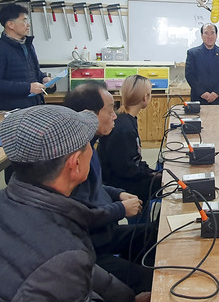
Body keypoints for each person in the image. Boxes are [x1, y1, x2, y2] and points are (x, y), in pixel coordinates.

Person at [0, 105, 146, 302]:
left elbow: (85, 270)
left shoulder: (15, 201)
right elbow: (66, 264)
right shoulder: (63, 256)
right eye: (87, 145)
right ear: (75, 163)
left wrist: (128, 298)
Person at [64, 81, 156, 294]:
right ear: (89, 115)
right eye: (109, 110)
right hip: (93, 249)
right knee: (156, 279)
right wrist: (121, 209)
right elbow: (80, 213)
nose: (115, 115)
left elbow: (97, 186)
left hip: (106, 232)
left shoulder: (89, 145)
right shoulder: (71, 160)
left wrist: (118, 194)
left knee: (156, 233)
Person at [98, 75, 161, 202]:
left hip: (123, 176)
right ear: (145, 97)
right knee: (167, 184)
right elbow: (127, 169)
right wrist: (151, 174)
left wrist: (150, 171)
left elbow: (132, 160)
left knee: (162, 174)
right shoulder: (124, 128)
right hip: (119, 184)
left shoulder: (124, 118)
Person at [0, 3, 54, 111]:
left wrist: (44, 79)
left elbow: (34, 72)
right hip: (12, 111)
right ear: (10, 24)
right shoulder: (2, 48)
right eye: (24, 20)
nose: (28, 25)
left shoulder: (28, 45)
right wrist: (28, 88)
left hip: (34, 107)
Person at [185, 23, 219, 105]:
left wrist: (216, 93)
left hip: (218, 98)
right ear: (202, 35)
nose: (210, 36)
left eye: (212, 33)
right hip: (198, 98)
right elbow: (189, 75)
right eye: (206, 33)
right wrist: (202, 93)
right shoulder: (192, 53)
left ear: (216, 35)